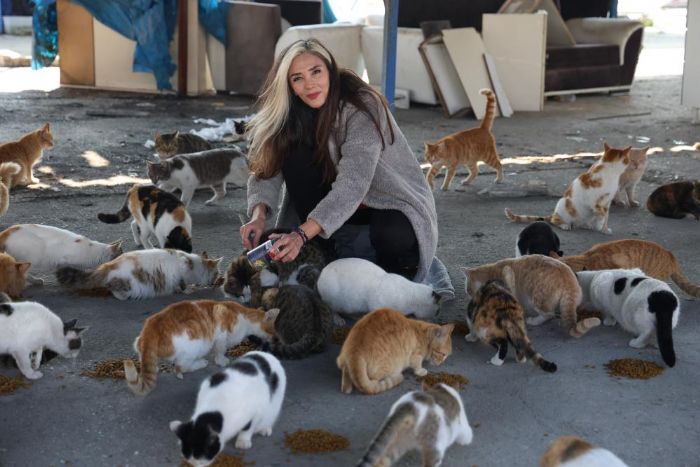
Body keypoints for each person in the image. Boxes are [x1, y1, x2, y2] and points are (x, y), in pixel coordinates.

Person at [240, 38, 453, 295]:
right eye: (297, 78)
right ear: (290, 86)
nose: (310, 85)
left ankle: (398, 273)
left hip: (385, 203)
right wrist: (258, 216)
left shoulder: (361, 106)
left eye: (316, 72)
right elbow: (267, 168)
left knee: (393, 236)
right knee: (267, 245)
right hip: (328, 210)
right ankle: (323, 249)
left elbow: (353, 184)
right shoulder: (291, 112)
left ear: (330, 70)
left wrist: (299, 235)